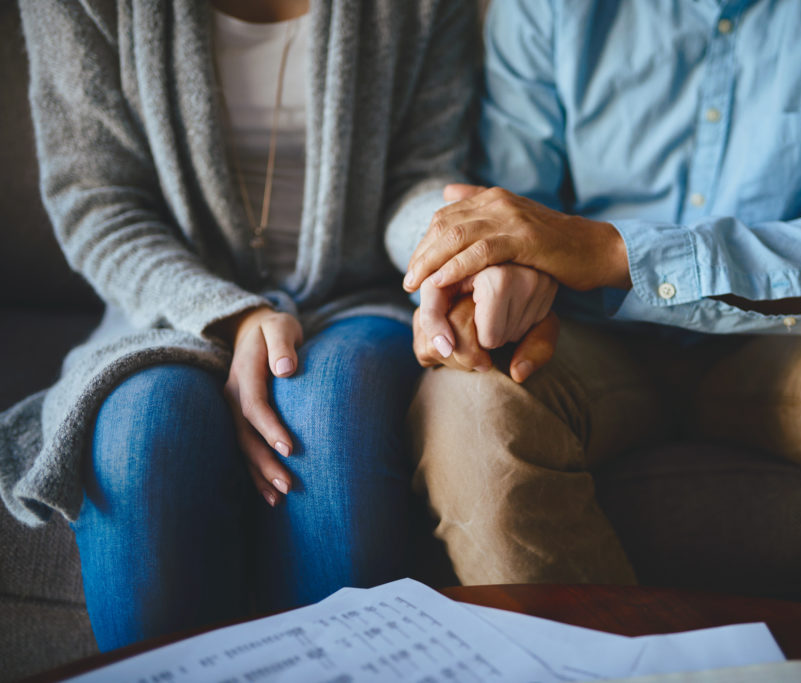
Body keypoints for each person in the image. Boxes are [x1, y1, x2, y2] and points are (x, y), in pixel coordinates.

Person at [394, 0, 801, 629]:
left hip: (796, 340)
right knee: (468, 406)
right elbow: (509, 207)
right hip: (587, 339)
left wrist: (613, 252)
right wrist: (497, 282)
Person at [1, 0, 475, 650]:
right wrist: (231, 316)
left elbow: (421, 174)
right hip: (169, 304)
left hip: (355, 295)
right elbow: (95, 201)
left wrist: (450, 242)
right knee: (145, 430)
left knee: (331, 410)